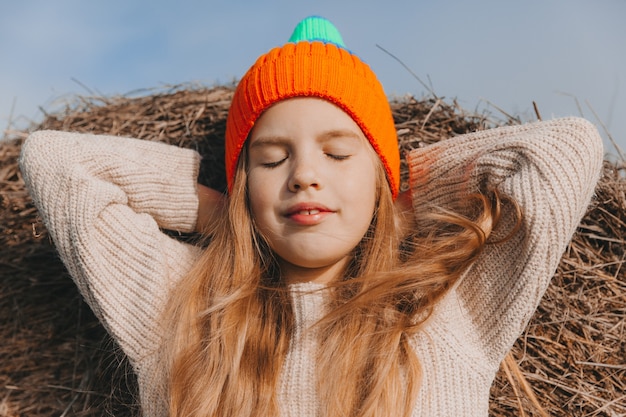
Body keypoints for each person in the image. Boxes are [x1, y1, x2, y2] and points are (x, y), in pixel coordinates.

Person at [19, 15, 603, 417]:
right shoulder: (181, 311)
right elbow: (55, 162)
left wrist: (394, 201)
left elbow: (567, 152)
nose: (304, 174)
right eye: (272, 159)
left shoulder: (446, 314)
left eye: (338, 152)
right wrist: (224, 212)